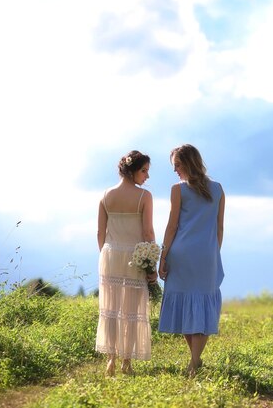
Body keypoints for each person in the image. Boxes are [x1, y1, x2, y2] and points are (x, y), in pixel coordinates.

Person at [158, 144, 225, 377]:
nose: (175, 170)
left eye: (177, 165)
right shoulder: (218, 189)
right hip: (207, 256)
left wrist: (162, 257)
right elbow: (219, 228)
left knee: (186, 303)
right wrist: (213, 253)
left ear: (188, 163)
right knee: (204, 306)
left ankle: (195, 362)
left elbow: (172, 226)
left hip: (181, 254)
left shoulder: (178, 190)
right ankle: (195, 362)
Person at [95, 150, 158, 376]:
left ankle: (110, 359)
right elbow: (148, 231)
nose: (147, 176)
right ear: (132, 171)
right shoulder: (144, 197)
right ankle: (126, 362)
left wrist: (105, 254)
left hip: (110, 254)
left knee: (110, 308)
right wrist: (151, 264)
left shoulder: (105, 195)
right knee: (131, 310)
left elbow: (100, 232)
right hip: (134, 256)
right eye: (144, 171)